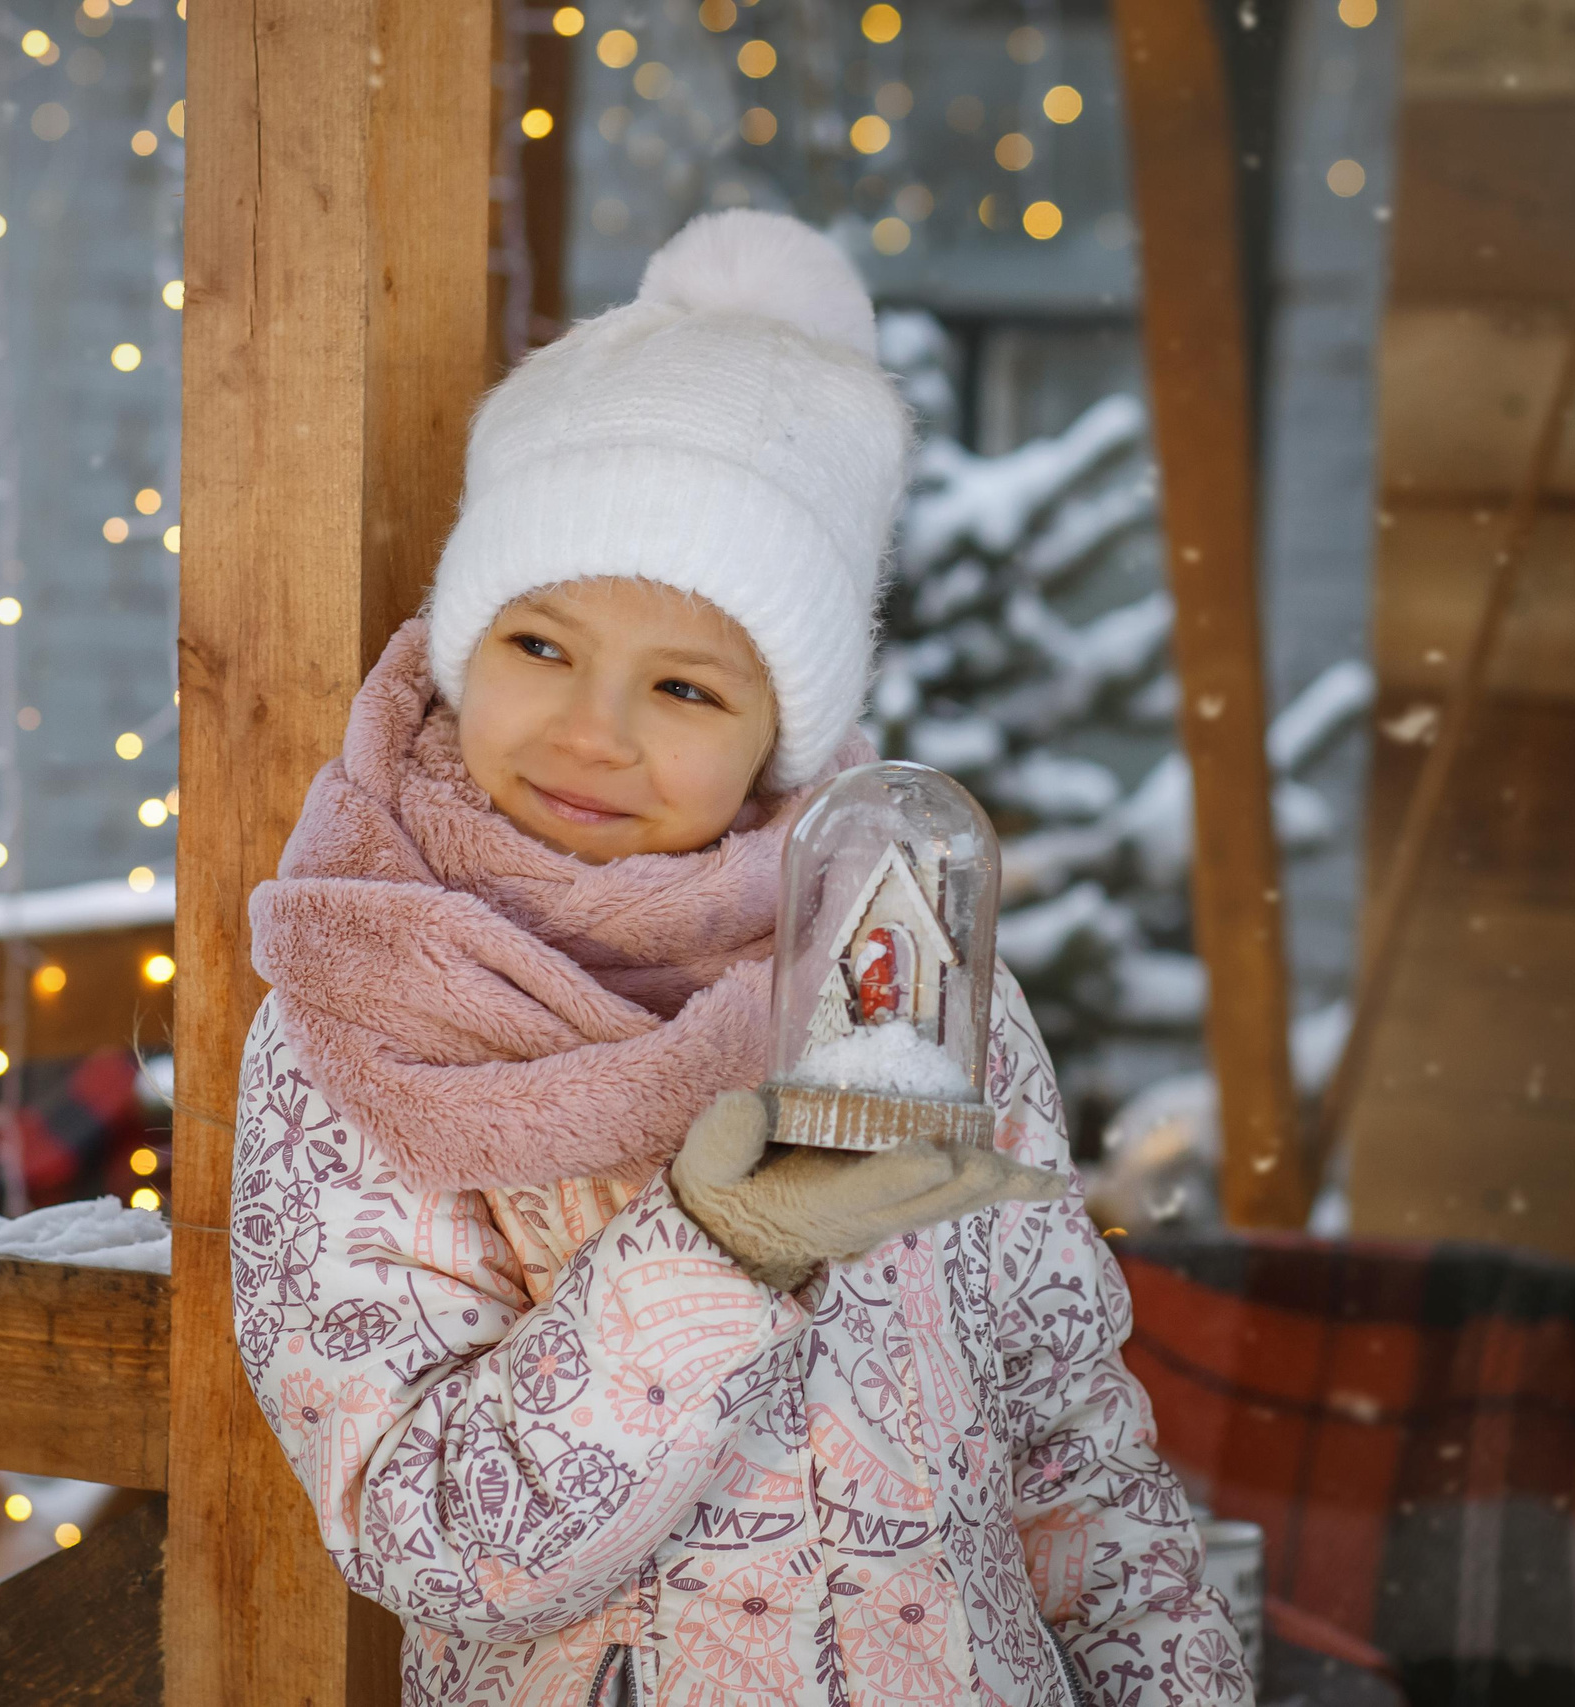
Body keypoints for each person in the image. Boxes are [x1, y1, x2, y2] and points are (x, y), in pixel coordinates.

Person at [234, 208, 1250, 1707]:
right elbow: (427, 1533)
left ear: (778, 730)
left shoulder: (896, 970)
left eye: (687, 686)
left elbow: (1064, 1444)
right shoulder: (377, 998)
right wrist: (718, 1253)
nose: (595, 729)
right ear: (461, 638)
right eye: (539, 646)